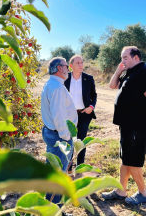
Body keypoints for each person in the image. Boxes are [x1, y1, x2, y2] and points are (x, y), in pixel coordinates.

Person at [102, 46, 146, 206]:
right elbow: (112, 86)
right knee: (126, 158)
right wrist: (119, 71)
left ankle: (143, 193)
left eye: (125, 58)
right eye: (122, 58)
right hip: (127, 124)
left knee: (133, 160)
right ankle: (121, 190)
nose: (122, 61)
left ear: (136, 57)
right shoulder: (130, 72)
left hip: (138, 125)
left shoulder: (145, 72)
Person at [41, 57, 78, 216]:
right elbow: (59, 116)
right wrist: (66, 137)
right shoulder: (56, 87)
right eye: (65, 66)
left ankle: (51, 208)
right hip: (59, 136)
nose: (68, 69)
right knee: (59, 175)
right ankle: (54, 211)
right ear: (58, 68)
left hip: (53, 133)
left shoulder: (53, 84)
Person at [64, 55, 97, 169]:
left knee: (81, 141)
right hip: (68, 115)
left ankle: (79, 167)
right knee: (69, 140)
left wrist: (91, 107)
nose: (81, 64)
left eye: (82, 62)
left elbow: (94, 95)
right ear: (71, 66)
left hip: (83, 114)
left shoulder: (89, 78)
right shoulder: (65, 78)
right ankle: (68, 166)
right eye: (77, 63)